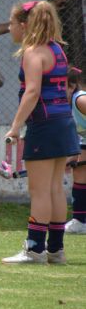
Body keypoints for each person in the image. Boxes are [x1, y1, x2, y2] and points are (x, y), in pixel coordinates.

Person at [1, 1, 80, 264]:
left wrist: (15, 127)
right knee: (56, 188)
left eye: (12, 24)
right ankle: (55, 250)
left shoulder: (33, 52)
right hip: (63, 123)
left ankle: (34, 249)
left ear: (24, 26)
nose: (9, 28)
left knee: (39, 191)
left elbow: (32, 92)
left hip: (44, 126)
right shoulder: (57, 49)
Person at [65, 68, 86, 234]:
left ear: (72, 86)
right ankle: (80, 221)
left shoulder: (81, 100)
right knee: (79, 174)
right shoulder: (65, 103)